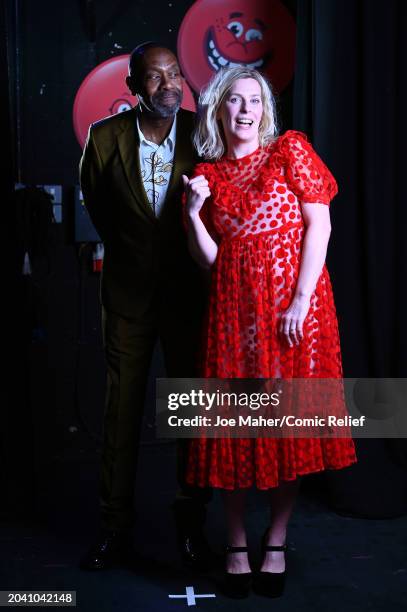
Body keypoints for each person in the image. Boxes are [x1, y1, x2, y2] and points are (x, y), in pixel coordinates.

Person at [182, 65, 357, 598]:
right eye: (234, 101)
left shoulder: (288, 151)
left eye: (254, 101)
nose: (244, 111)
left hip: (293, 310)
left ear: (265, 109)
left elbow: (319, 223)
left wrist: (300, 300)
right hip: (234, 315)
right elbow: (214, 261)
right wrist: (192, 215)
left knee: (290, 429)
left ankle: (275, 540)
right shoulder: (208, 176)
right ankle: (236, 542)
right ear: (218, 108)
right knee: (234, 429)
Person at [79, 43, 213, 571]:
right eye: (154, 78)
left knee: (190, 412)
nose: (168, 84)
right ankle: (114, 527)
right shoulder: (105, 137)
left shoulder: (203, 134)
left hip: (189, 297)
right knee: (122, 414)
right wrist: (136, 256)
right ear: (133, 87)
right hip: (129, 296)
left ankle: (191, 527)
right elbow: (98, 205)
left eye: (174, 74)